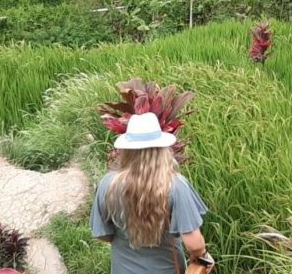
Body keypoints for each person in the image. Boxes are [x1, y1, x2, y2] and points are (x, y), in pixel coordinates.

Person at [91, 112, 214, 274]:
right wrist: (203, 257)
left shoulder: (107, 184)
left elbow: (103, 235)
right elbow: (195, 245)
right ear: (162, 149)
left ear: (126, 150)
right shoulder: (175, 185)